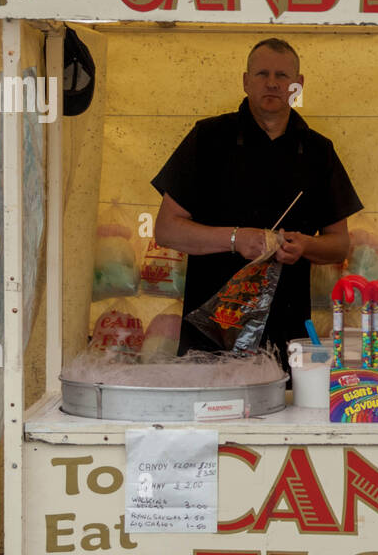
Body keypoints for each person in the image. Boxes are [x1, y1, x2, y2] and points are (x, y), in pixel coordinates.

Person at [151, 38, 363, 365]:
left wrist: (305, 246)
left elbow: (340, 245)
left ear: (298, 84)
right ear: (246, 81)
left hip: (288, 335)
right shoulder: (207, 138)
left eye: (282, 75)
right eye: (262, 74)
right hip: (212, 333)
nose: (273, 83)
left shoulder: (318, 151)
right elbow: (166, 230)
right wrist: (236, 239)